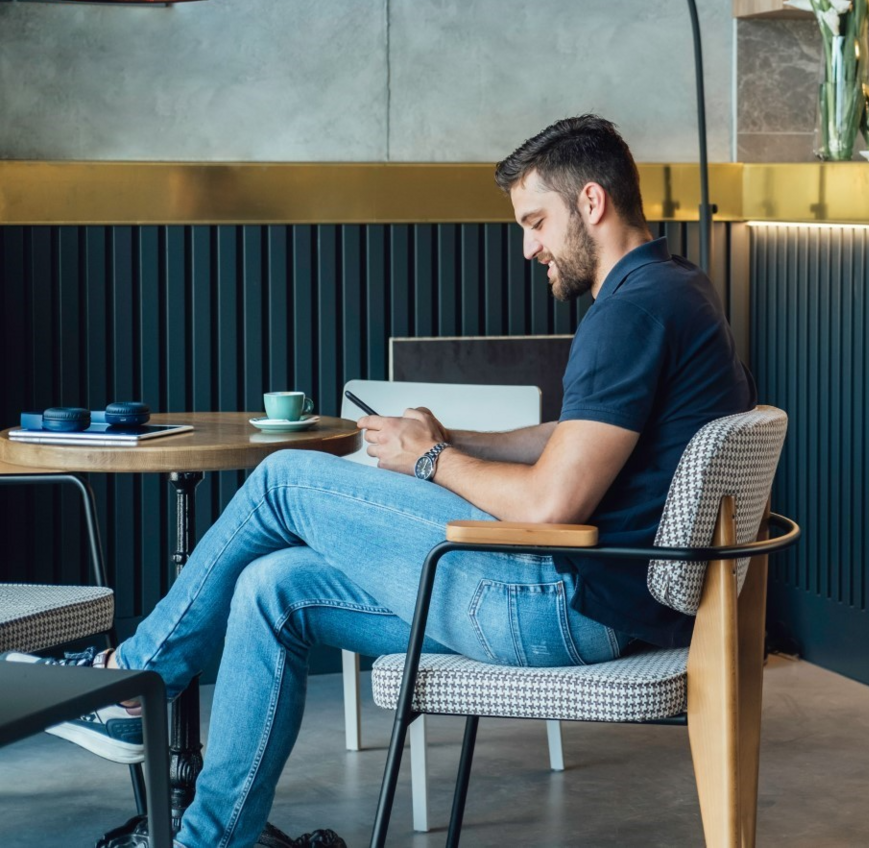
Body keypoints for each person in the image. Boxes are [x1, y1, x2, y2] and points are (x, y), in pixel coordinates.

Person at [7, 115, 755, 848]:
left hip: (558, 605)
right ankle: (210, 840)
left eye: (536, 222)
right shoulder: (675, 287)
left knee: (283, 478)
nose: (529, 248)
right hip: (600, 602)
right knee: (272, 587)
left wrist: (430, 460)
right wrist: (453, 438)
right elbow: (574, 438)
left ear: (591, 202)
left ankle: (133, 682)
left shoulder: (628, 313)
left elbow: (554, 502)